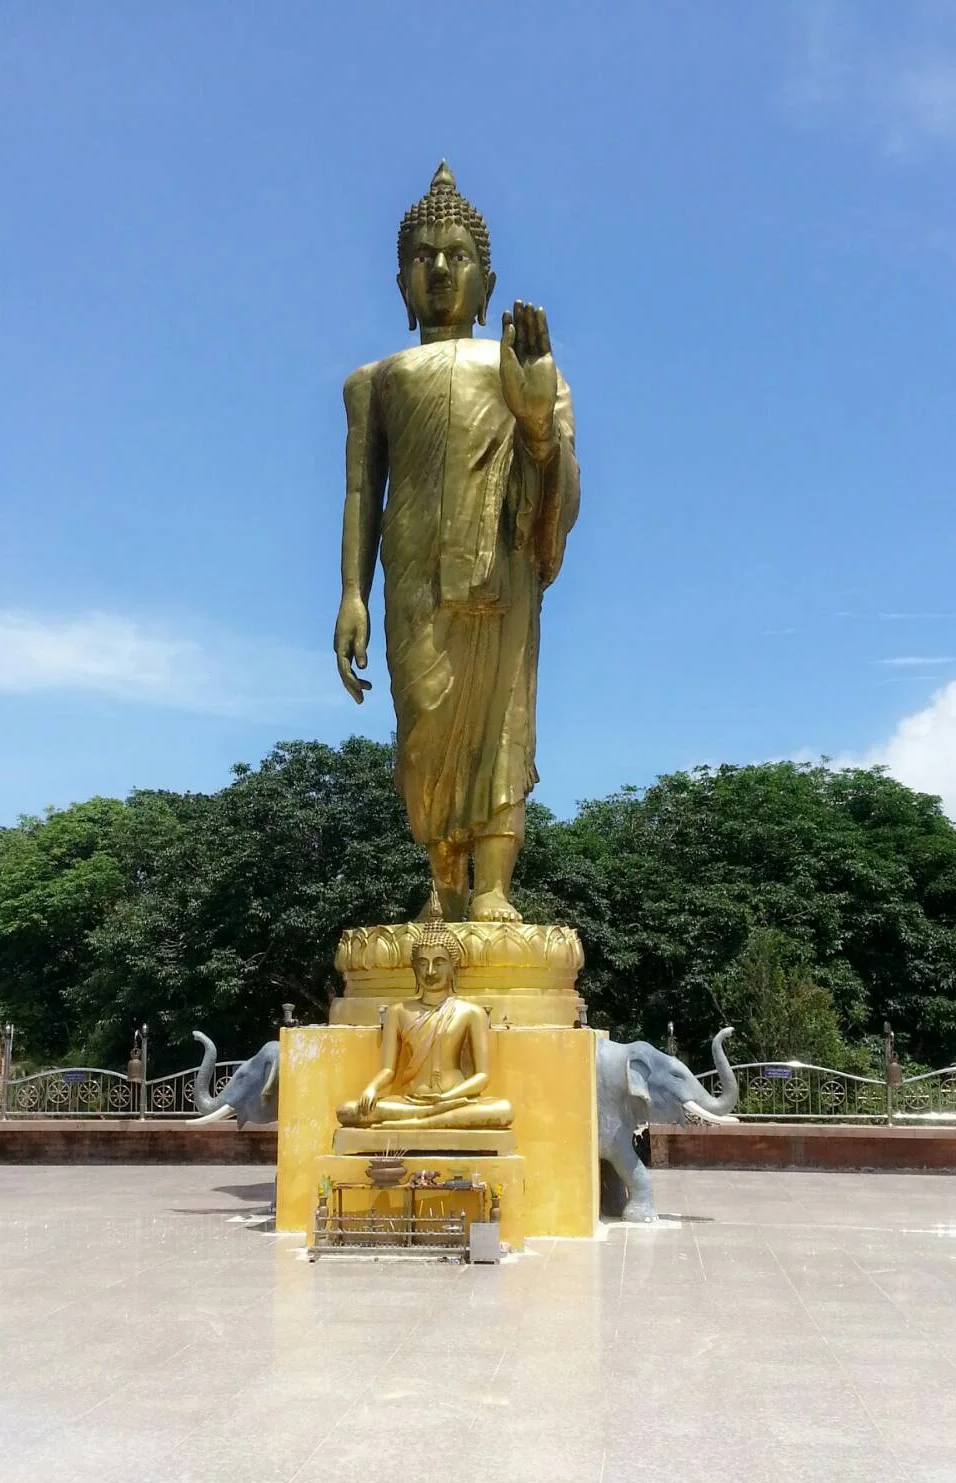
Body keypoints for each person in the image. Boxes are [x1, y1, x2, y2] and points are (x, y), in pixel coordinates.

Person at [333, 163, 579, 923]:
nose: (440, 268)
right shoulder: (375, 380)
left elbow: (557, 478)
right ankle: (443, 883)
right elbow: (360, 493)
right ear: (401, 285)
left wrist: (537, 421)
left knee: (501, 720)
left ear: (487, 280)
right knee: (424, 729)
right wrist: (351, 594)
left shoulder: (521, 366)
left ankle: (494, 886)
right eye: (423, 257)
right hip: (411, 575)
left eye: (457, 255)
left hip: (499, 568)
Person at [337, 924, 512, 1130]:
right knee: (347, 1110)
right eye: (422, 963)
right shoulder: (397, 1012)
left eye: (439, 963)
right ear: (414, 968)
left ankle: (418, 1123)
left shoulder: (471, 1012)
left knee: (503, 1110)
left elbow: (482, 1076)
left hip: (455, 1100)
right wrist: (371, 1088)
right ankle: (428, 1120)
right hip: (412, 1101)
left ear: (453, 966)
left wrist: (448, 1097)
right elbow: (388, 1070)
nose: (430, 971)